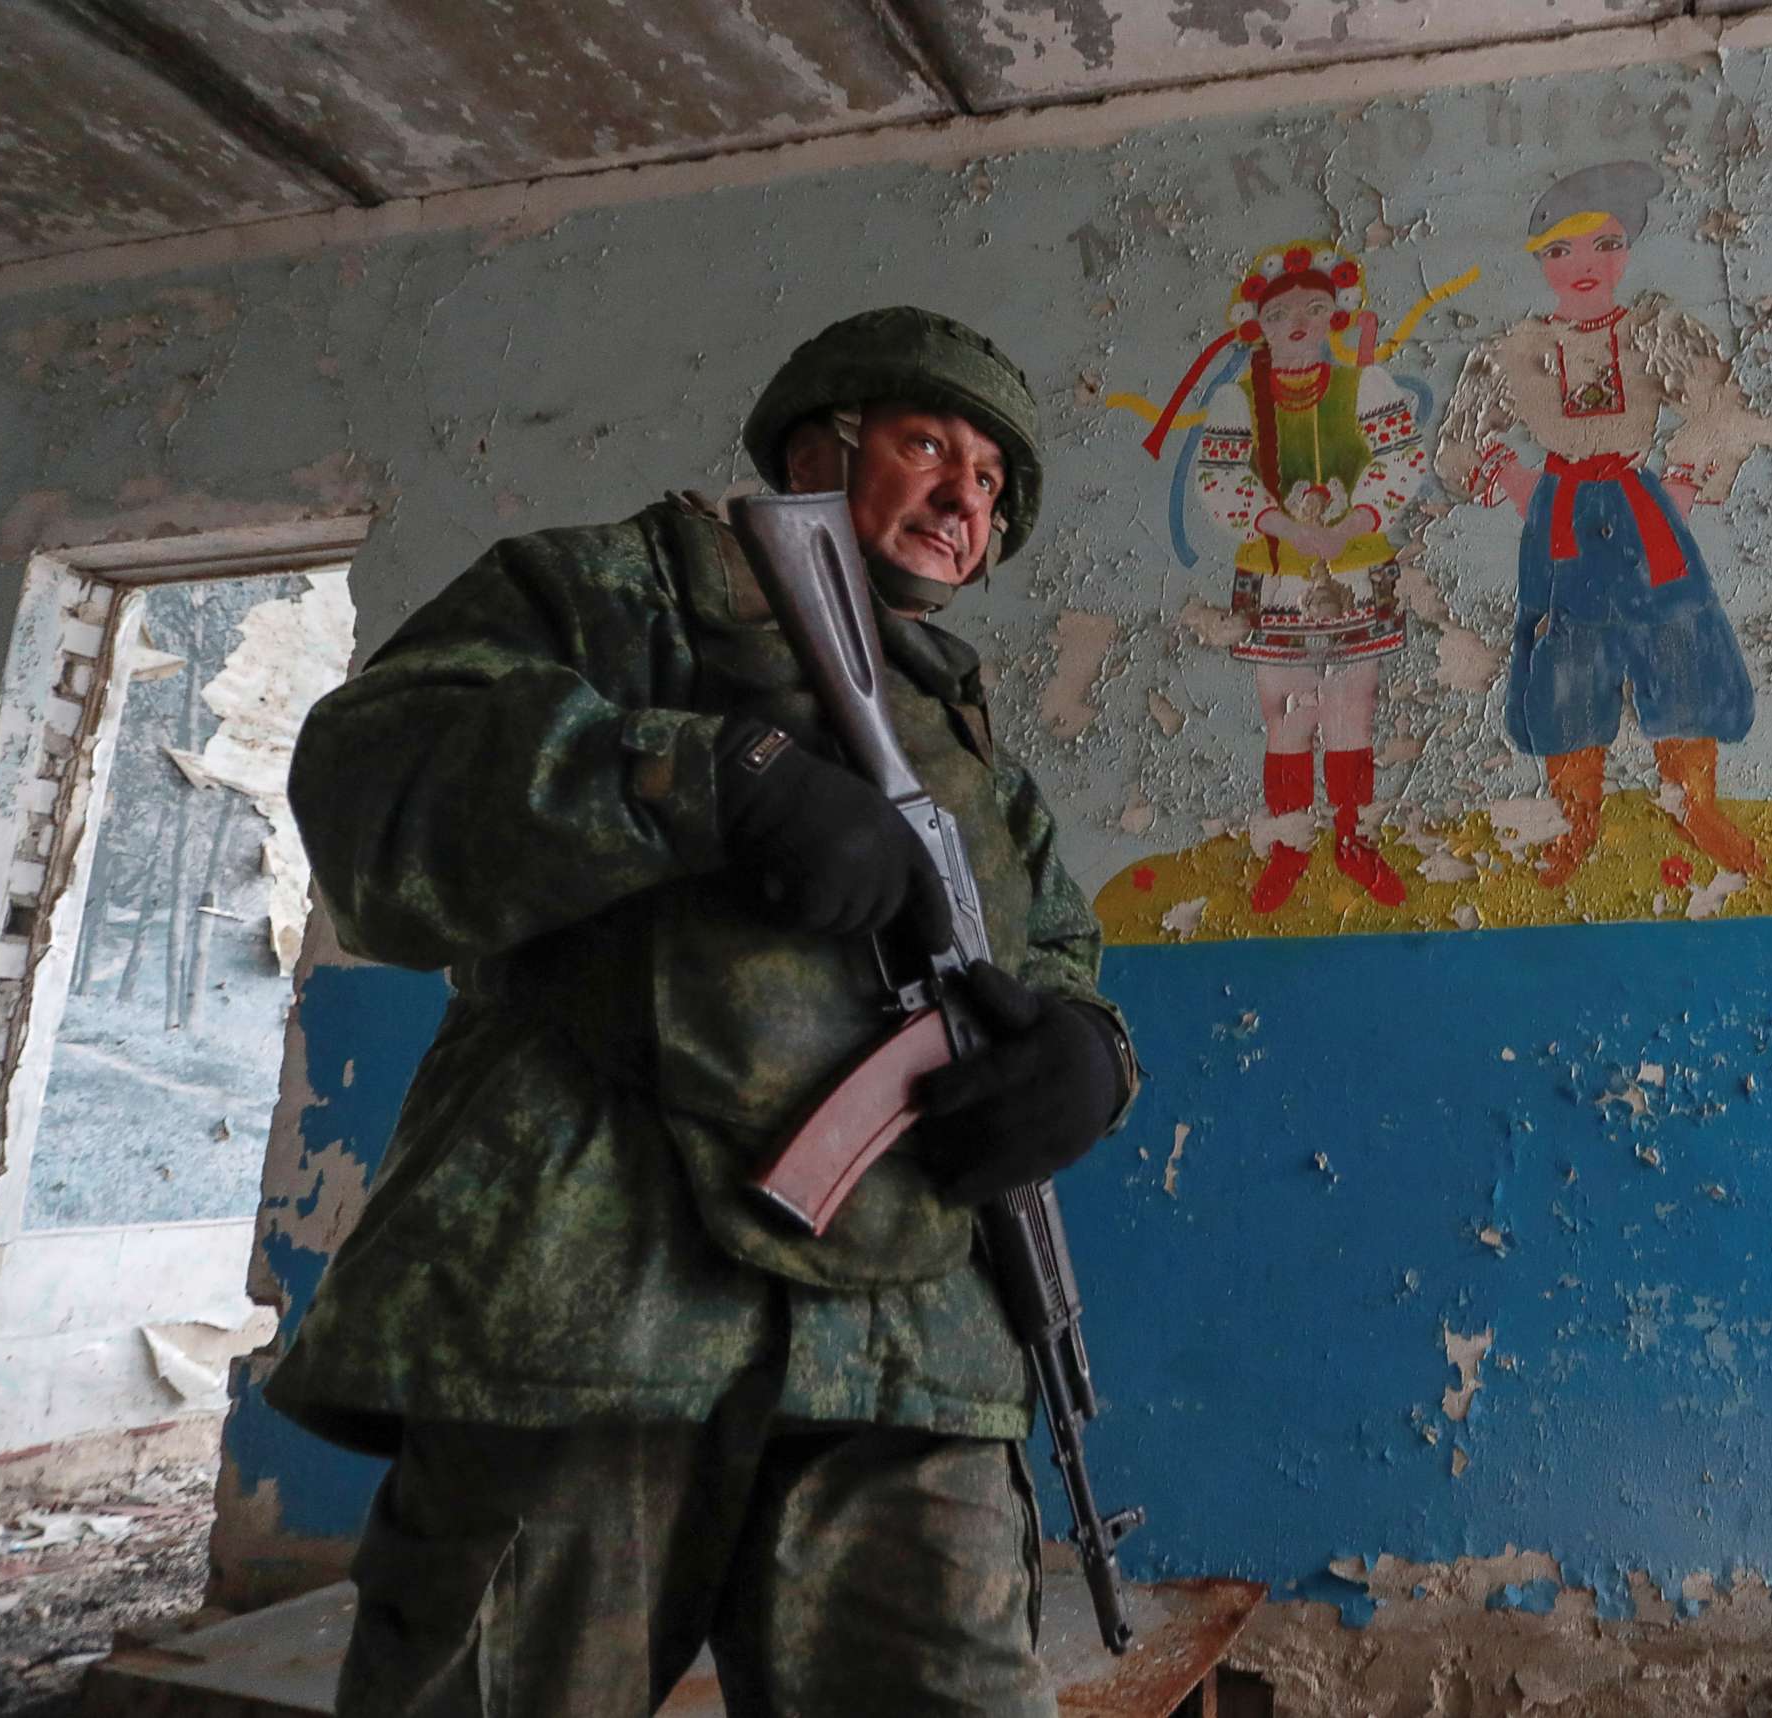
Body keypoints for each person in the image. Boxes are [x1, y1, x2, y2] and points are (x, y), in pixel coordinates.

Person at [266, 306, 1141, 1718]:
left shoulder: (970, 744)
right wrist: (709, 778)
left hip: (911, 1364)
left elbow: (1057, 950)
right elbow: (377, 783)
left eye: (989, 485)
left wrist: (1089, 1056)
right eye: (930, 447)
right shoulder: (611, 597)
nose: (962, 499)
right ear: (820, 445)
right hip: (585, 1322)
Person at [1436, 161, 1762, 886]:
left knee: (1681, 646)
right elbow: (1460, 442)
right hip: (1561, 521)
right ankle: (1575, 822)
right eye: (1559, 250)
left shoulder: (1656, 333)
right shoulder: (1517, 351)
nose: (1582, 266)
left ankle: (1694, 804)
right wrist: (1511, 479)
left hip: (1645, 515)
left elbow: (1723, 410)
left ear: (1627, 252)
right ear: (1540, 261)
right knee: (1566, 665)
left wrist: (1683, 478)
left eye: (1603, 244)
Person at [1171, 241, 1425, 914]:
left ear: (1335, 316)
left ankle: (1354, 839)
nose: (1300, 322)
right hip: (1276, 576)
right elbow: (1220, 478)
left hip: (1354, 569)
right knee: (1286, 719)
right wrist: (1285, 527)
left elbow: (1400, 458)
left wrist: (1349, 524)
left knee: (1352, 711)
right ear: (1259, 323)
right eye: (1283, 311)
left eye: (1315, 308)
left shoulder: (1364, 386)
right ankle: (1289, 845)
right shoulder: (1238, 400)